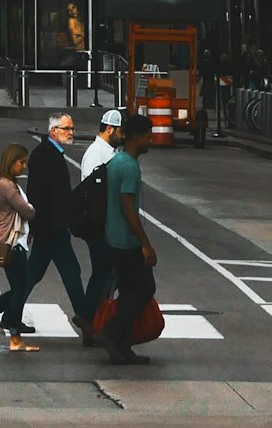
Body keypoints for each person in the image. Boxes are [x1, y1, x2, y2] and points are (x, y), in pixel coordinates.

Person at [99, 112, 158, 368]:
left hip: (113, 237)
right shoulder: (129, 167)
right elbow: (128, 207)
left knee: (128, 291)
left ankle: (122, 345)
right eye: (147, 137)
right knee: (145, 288)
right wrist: (145, 243)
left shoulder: (117, 161)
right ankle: (112, 333)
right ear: (135, 138)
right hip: (126, 241)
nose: (151, 142)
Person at [24, 111, 90, 323]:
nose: (71, 133)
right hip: (51, 227)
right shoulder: (44, 156)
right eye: (66, 129)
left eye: (71, 128)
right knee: (71, 272)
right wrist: (35, 226)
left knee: (32, 276)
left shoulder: (53, 153)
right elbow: (36, 193)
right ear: (53, 131)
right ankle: (86, 320)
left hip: (50, 227)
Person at [0, 143, 41, 351]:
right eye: (21, 162)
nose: (24, 166)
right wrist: (32, 208)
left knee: (19, 289)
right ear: (11, 162)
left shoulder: (7, 182)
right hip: (12, 245)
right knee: (19, 289)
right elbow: (28, 212)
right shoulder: (6, 185)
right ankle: (7, 331)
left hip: (16, 243)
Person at [76, 108, 126, 332]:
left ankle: (94, 318)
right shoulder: (97, 153)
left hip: (105, 224)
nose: (122, 136)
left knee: (108, 271)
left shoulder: (109, 152)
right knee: (104, 270)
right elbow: (92, 193)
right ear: (110, 129)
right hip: (97, 225)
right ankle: (89, 316)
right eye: (120, 132)